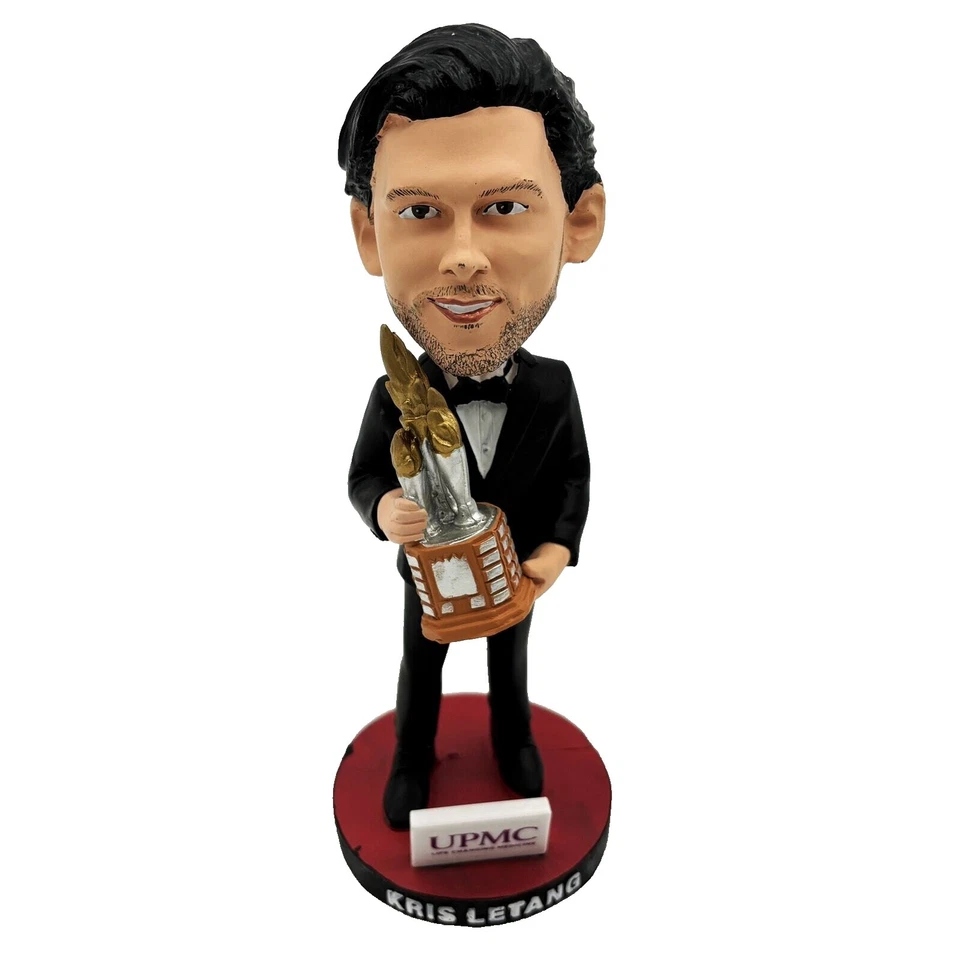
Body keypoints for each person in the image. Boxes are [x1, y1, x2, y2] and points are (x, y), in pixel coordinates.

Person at [341, 23, 605, 829]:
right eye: (420, 210)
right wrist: (385, 509)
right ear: (369, 234)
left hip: (514, 571)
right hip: (430, 579)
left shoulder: (554, 391)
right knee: (420, 670)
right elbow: (364, 475)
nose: (463, 257)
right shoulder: (395, 393)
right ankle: (411, 757)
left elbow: (573, 477)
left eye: (504, 208)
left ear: (579, 222)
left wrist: (555, 551)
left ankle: (513, 739)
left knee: (510, 664)